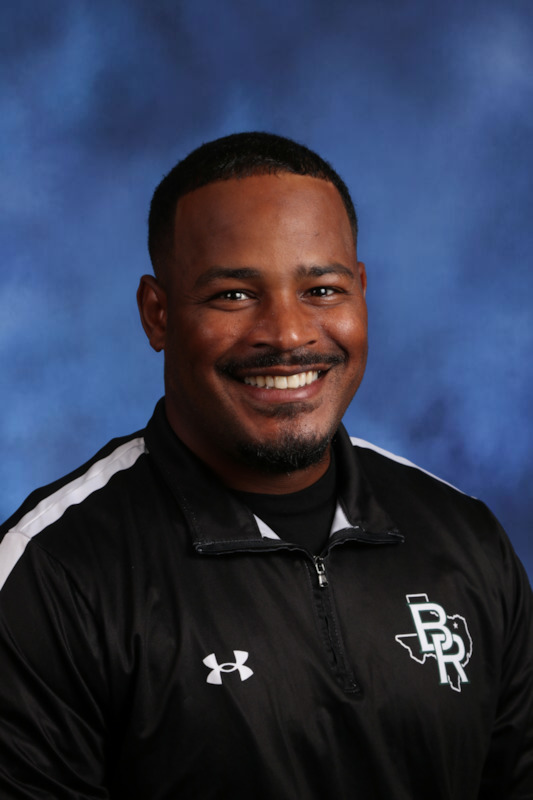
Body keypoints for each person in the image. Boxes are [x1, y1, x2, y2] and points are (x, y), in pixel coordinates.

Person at [0, 132, 531, 800]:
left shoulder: (465, 540)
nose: (287, 334)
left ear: (362, 292)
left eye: (322, 289)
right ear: (156, 314)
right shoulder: (51, 574)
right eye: (233, 295)